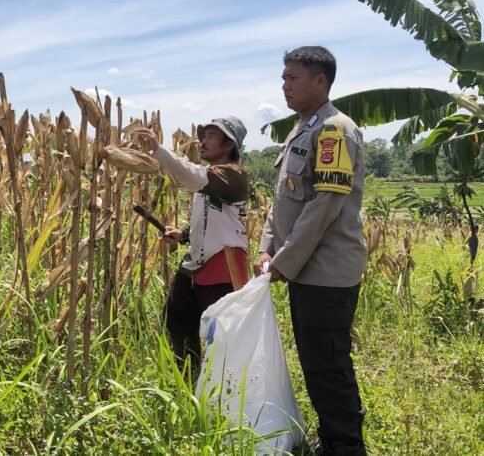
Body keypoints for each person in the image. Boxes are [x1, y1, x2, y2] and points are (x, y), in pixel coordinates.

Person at [255, 46, 367, 456]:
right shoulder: (302, 128)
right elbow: (282, 201)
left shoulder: (335, 130)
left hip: (327, 272)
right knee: (315, 361)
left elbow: (324, 207)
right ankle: (334, 438)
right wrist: (267, 248)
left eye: (292, 78)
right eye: (283, 77)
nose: (284, 85)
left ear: (320, 81)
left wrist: (282, 262)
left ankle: (345, 446)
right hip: (303, 270)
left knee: (328, 364)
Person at [134, 117, 250, 370]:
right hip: (196, 263)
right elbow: (210, 217)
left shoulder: (235, 176)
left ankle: (223, 385)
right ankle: (190, 376)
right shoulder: (210, 178)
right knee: (176, 319)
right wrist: (184, 233)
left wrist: (158, 149)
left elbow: (192, 176)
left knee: (219, 331)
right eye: (203, 135)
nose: (202, 141)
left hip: (222, 264)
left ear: (229, 144)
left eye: (210, 136)